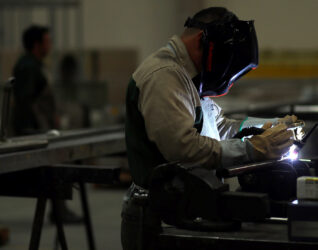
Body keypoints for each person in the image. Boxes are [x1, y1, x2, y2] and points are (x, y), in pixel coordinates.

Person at [121, 7, 300, 250]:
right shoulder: (164, 76)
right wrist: (251, 149)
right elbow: (184, 149)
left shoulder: (188, 75)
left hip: (185, 209)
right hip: (160, 218)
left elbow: (220, 127)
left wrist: (267, 128)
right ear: (201, 41)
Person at [0, 25, 81, 224]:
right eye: (47, 41)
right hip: (30, 129)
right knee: (32, 167)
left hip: (38, 126)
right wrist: (29, 130)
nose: (50, 45)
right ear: (37, 44)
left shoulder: (35, 64)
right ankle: (58, 211)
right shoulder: (28, 66)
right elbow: (25, 101)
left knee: (26, 169)